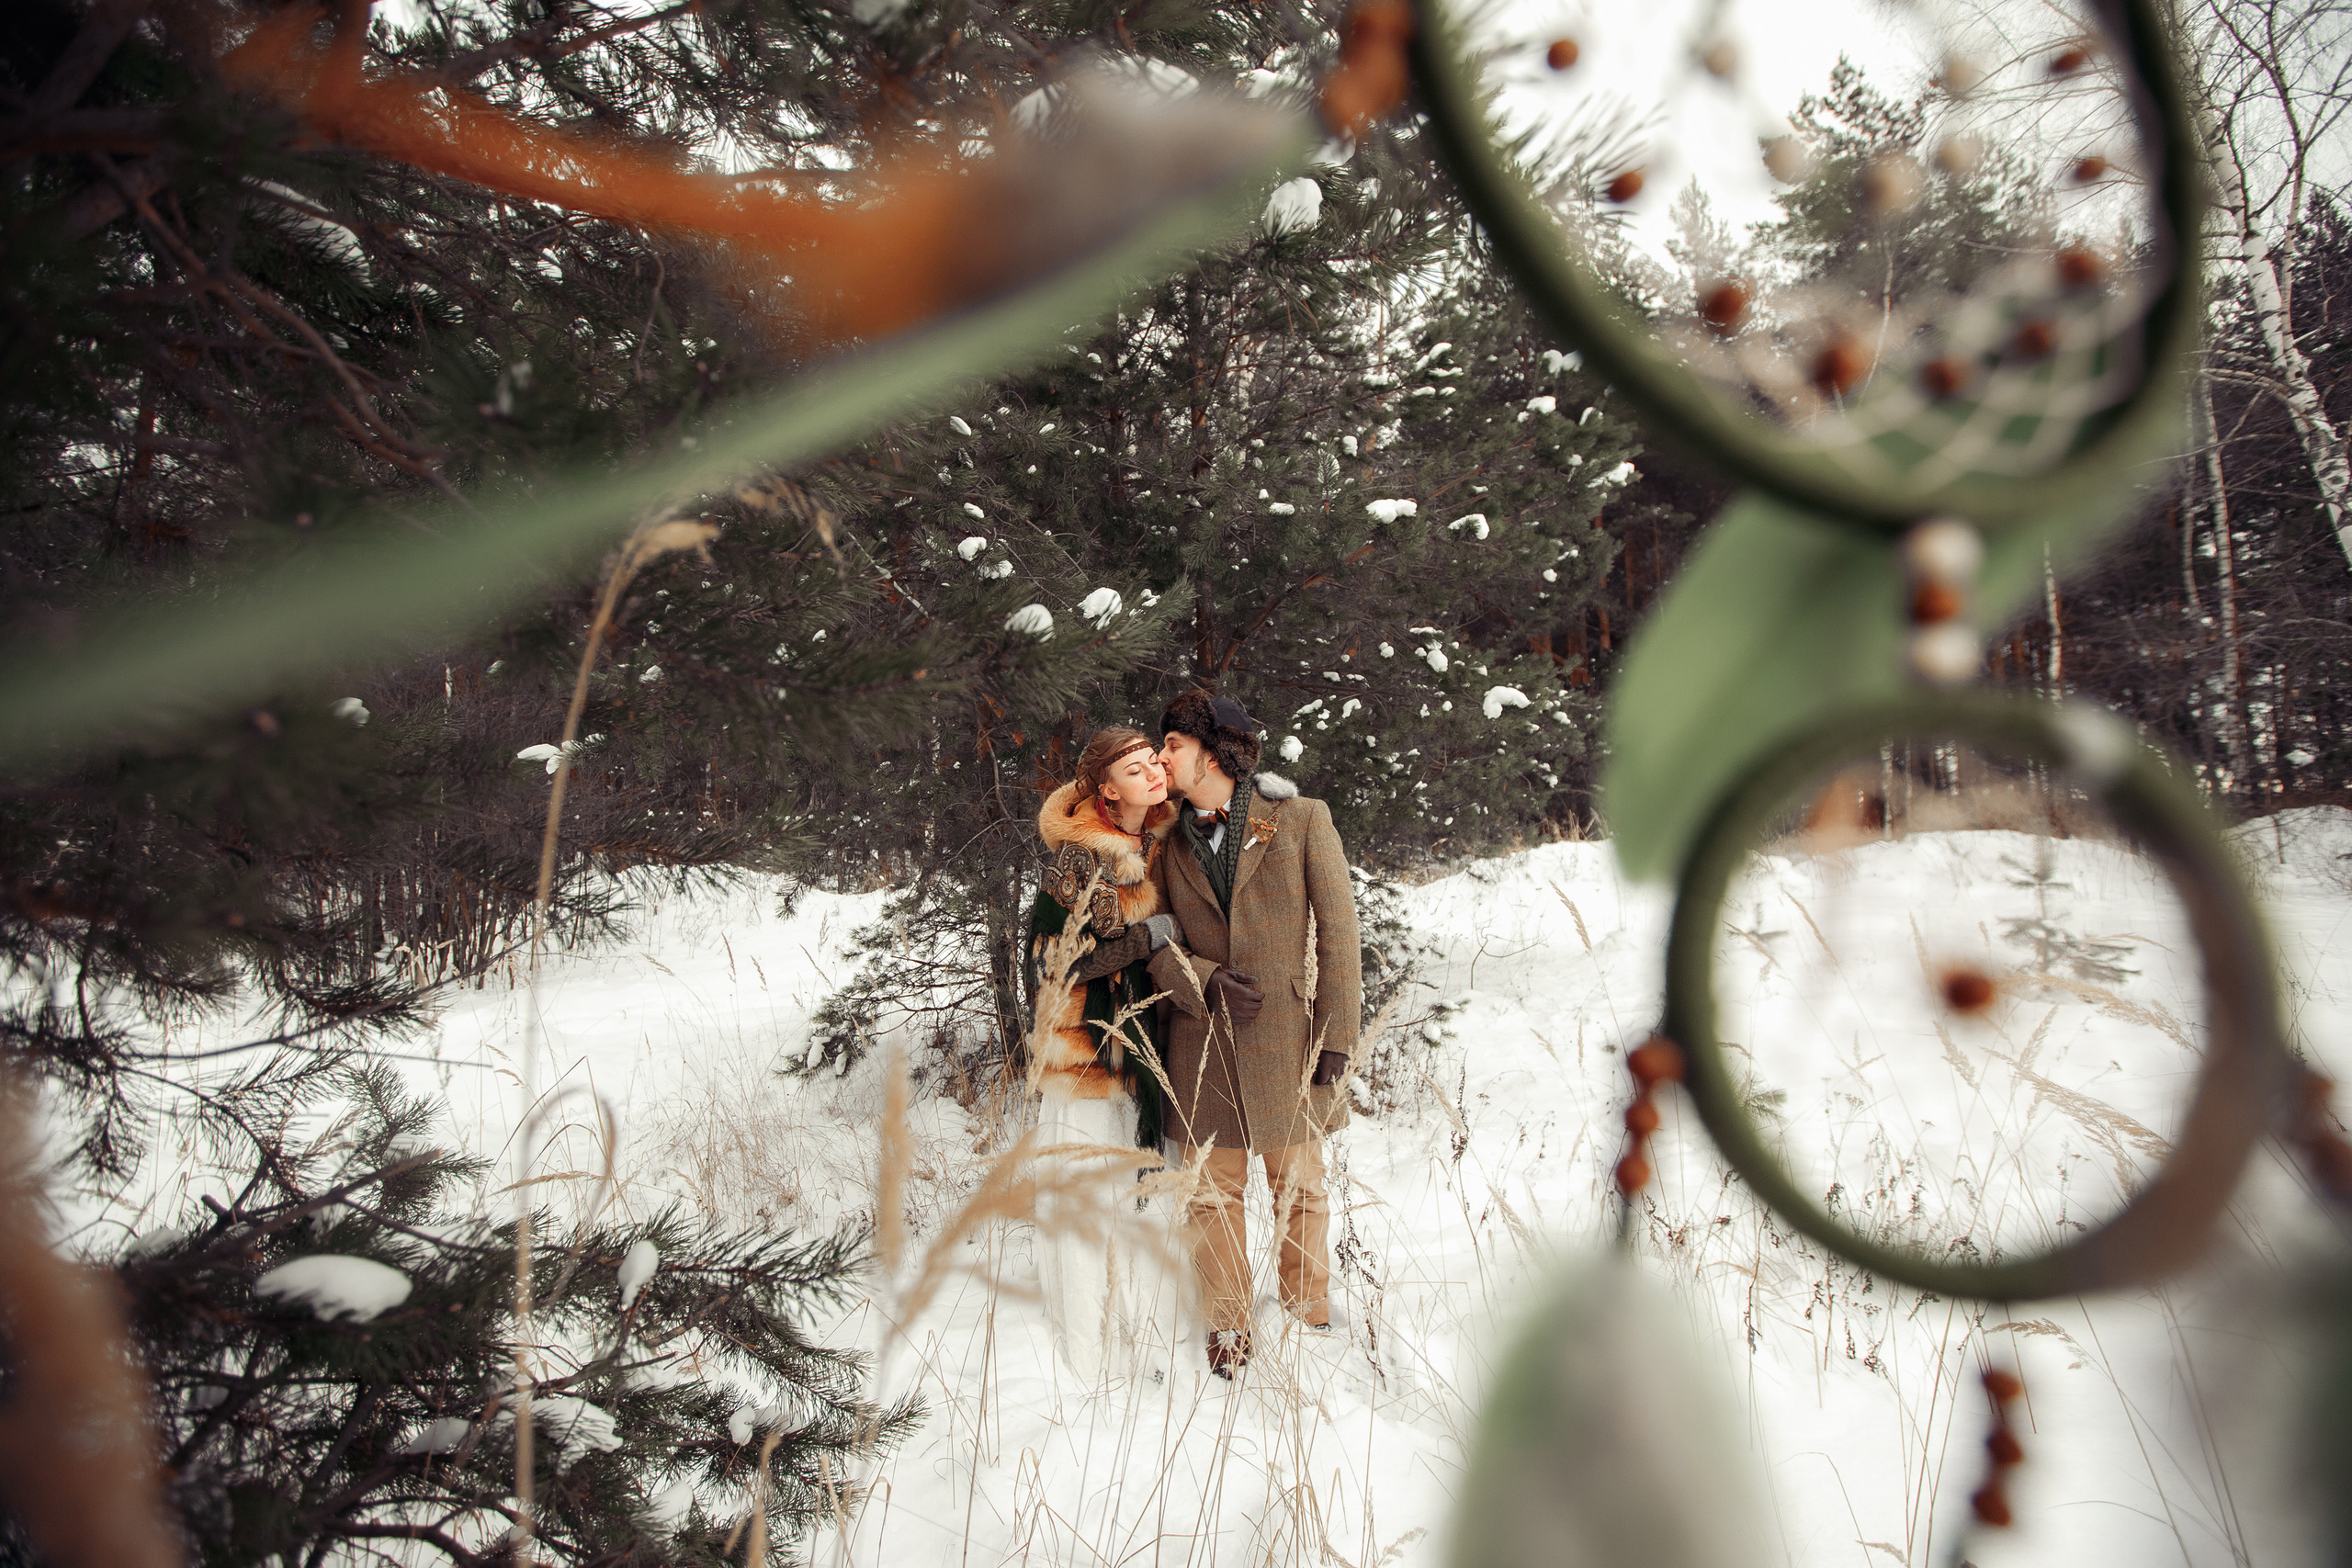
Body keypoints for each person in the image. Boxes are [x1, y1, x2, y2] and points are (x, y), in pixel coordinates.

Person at [1145, 689, 1362, 1380]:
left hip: (1287, 1037)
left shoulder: (1300, 819)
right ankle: (1228, 1321)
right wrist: (1203, 977)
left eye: (1172, 744)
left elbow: (1341, 931)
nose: (1161, 756)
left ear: (1210, 751)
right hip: (1200, 1041)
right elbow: (1153, 939)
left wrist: (1336, 1031)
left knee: (1300, 1183)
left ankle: (1308, 1306)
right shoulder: (1165, 839)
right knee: (1210, 1192)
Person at [1026, 726, 1184, 1376]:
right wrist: (1145, 937)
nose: (1152, 771)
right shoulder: (1078, 858)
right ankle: (1089, 1359)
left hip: (1138, 1057)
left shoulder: (1158, 840)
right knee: (1088, 1207)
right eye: (1134, 765)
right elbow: (1052, 961)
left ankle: (1146, 1340)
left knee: (1144, 1198)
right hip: (1087, 1063)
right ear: (1106, 788)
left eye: (1154, 760)